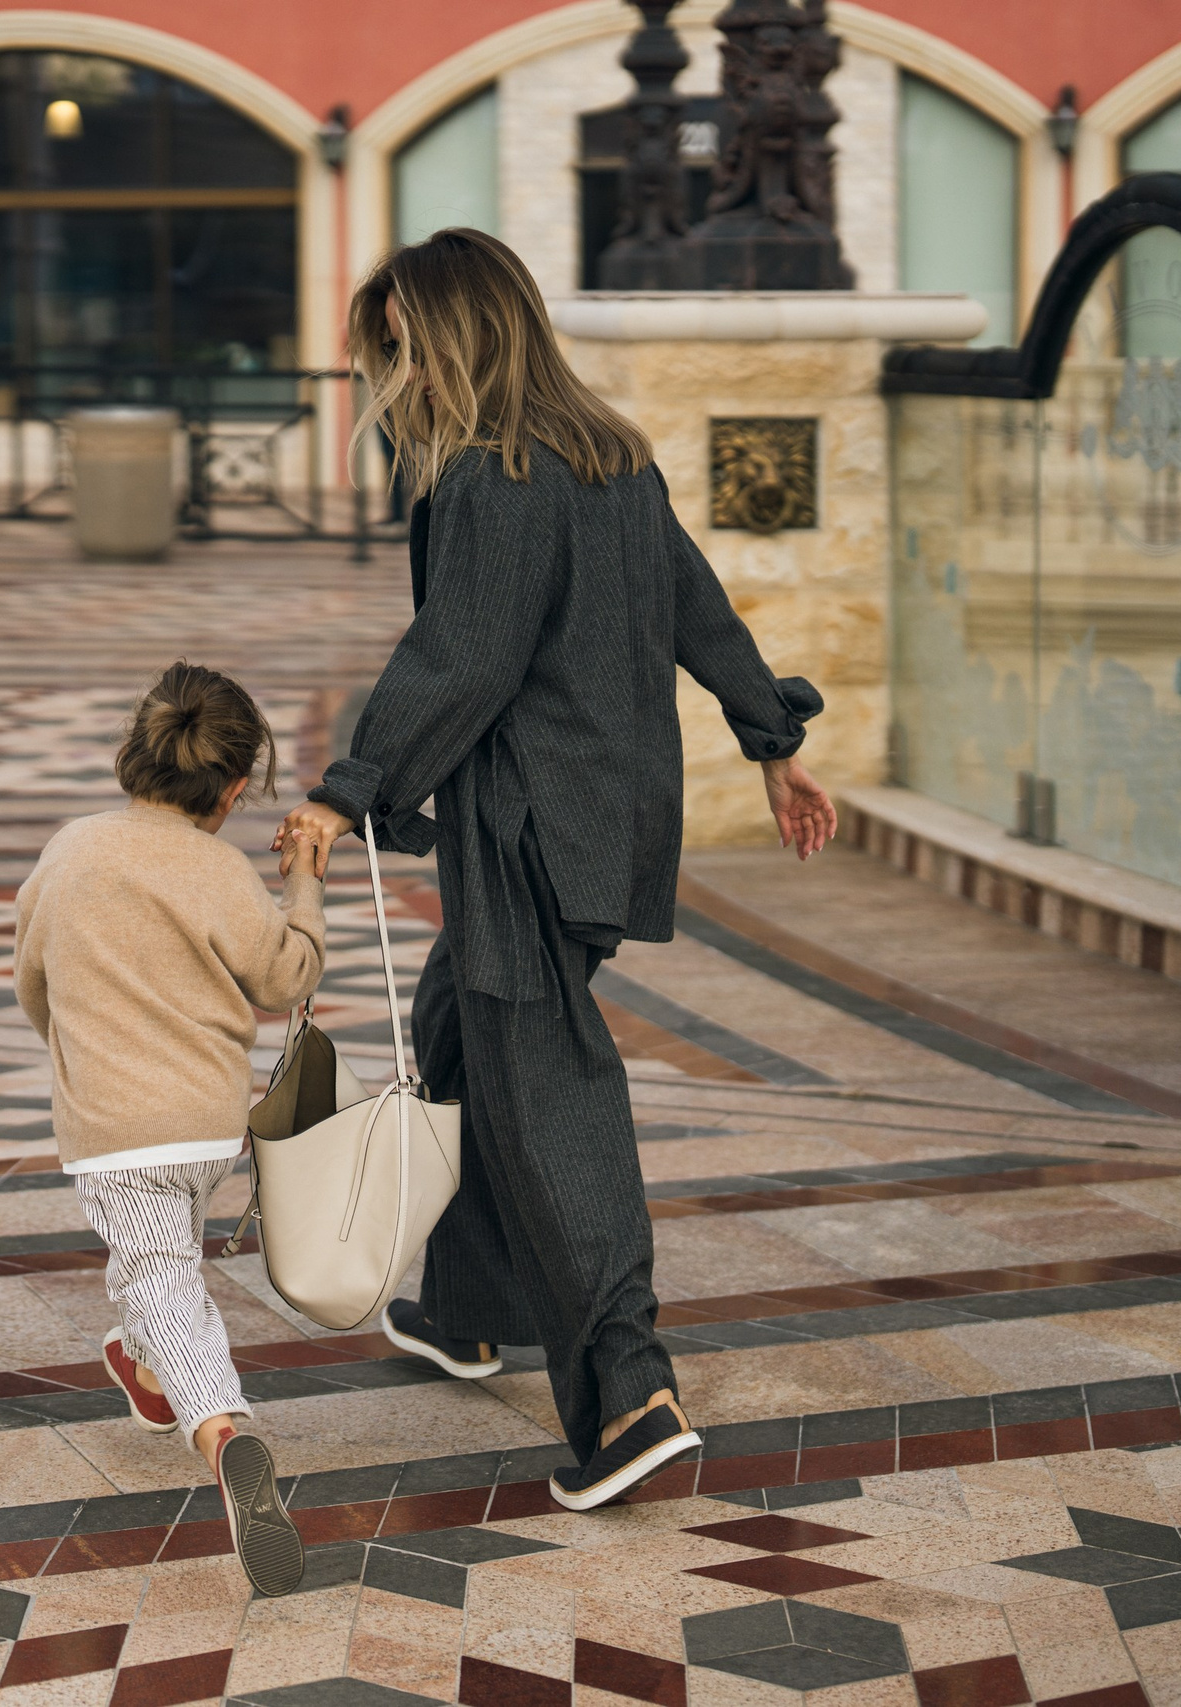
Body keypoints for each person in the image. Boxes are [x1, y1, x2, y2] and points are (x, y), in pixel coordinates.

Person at [273, 228, 838, 1512]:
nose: (393, 375)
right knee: (457, 1024)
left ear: (458, 336)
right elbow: (697, 604)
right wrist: (772, 742)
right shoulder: (610, 458)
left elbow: (460, 659)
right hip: (604, 819)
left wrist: (344, 789)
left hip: (524, 827)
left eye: (402, 346)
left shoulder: (494, 475)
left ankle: (630, 1392)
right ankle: (471, 1312)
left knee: (550, 1089)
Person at [14, 661, 327, 1596]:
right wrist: (304, 885)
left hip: (113, 1124)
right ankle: (146, 1365)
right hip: (204, 1125)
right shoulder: (221, 869)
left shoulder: (71, 850)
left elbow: (32, 981)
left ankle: (221, 1427)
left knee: (159, 1271)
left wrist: (78, 1051)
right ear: (234, 789)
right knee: (160, 1262)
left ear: (135, 748)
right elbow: (285, 977)